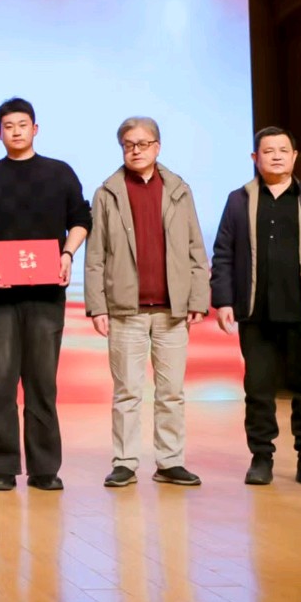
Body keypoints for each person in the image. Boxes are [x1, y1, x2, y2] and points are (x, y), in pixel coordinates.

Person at [211, 126, 301, 487]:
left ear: (294, 156)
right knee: (258, 389)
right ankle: (261, 457)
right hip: (256, 312)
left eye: (283, 150)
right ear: (255, 158)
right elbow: (223, 254)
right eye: (268, 151)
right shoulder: (238, 200)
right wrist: (223, 300)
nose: (276, 156)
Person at [0, 97, 91, 492]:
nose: (16, 131)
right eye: (8, 126)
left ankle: (44, 468)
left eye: (22, 124)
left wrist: (67, 254)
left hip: (46, 294)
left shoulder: (59, 173)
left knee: (41, 382)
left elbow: (80, 219)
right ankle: (2, 467)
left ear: (35, 129)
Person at [83, 117, 210, 489]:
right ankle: (125, 461)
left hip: (172, 311)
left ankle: (170, 461)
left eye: (142, 143)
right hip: (127, 312)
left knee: (171, 393)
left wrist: (198, 297)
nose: (135, 150)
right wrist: (97, 306)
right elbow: (95, 255)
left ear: (157, 146)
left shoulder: (179, 190)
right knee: (127, 392)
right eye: (128, 144)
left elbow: (195, 247)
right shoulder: (107, 193)